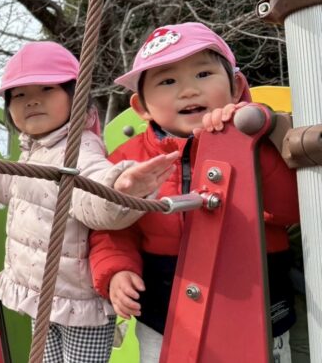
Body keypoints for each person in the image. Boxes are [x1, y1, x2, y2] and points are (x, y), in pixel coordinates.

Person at [89, 22, 299, 362]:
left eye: (203, 74)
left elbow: (292, 209)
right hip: (165, 304)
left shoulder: (256, 139)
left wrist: (251, 141)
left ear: (236, 87)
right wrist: (116, 270)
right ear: (141, 107)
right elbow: (113, 227)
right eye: (168, 81)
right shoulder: (127, 160)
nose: (188, 90)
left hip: (256, 293)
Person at [0, 41, 178, 363]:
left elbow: (92, 192)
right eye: (19, 95)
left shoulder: (78, 149)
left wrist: (122, 190)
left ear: (75, 97)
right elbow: (24, 188)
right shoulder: (35, 149)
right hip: (44, 293)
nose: (32, 100)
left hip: (77, 301)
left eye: (47, 88)